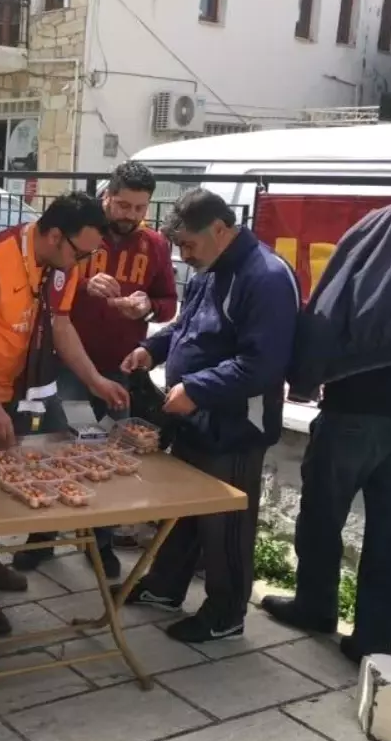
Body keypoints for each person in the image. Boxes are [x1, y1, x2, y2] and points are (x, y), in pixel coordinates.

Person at [263, 204, 391, 664]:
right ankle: (373, 639)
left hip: (351, 417)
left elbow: (321, 324)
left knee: (321, 517)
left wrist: (305, 380)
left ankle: (315, 606)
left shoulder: (357, 269)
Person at [0, 193, 129, 635]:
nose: (80, 262)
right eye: (79, 252)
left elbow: (61, 327)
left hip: (18, 389)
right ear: (55, 236)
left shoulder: (61, 266)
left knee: (0, 488)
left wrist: (96, 380)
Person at [120, 189, 300, 643]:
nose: (184, 255)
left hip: (236, 425)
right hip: (193, 416)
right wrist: (151, 348)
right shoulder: (209, 268)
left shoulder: (266, 276)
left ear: (220, 229)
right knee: (183, 512)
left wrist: (197, 389)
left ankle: (226, 612)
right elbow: (186, 326)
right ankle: (164, 588)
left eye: (189, 245)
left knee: (226, 523)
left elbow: (262, 364)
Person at [18, 162, 178, 579]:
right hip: (68, 365)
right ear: (107, 196)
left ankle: (101, 543)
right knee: (62, 448)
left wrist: (147, 306)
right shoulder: (82, 235)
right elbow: (47, 292)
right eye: (122, 204)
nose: (129, 215)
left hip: (119, 367)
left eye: (139, 208)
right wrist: (82, 288)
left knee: (109, 453)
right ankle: (42, 538)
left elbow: (169, 302)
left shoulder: (155, 246)